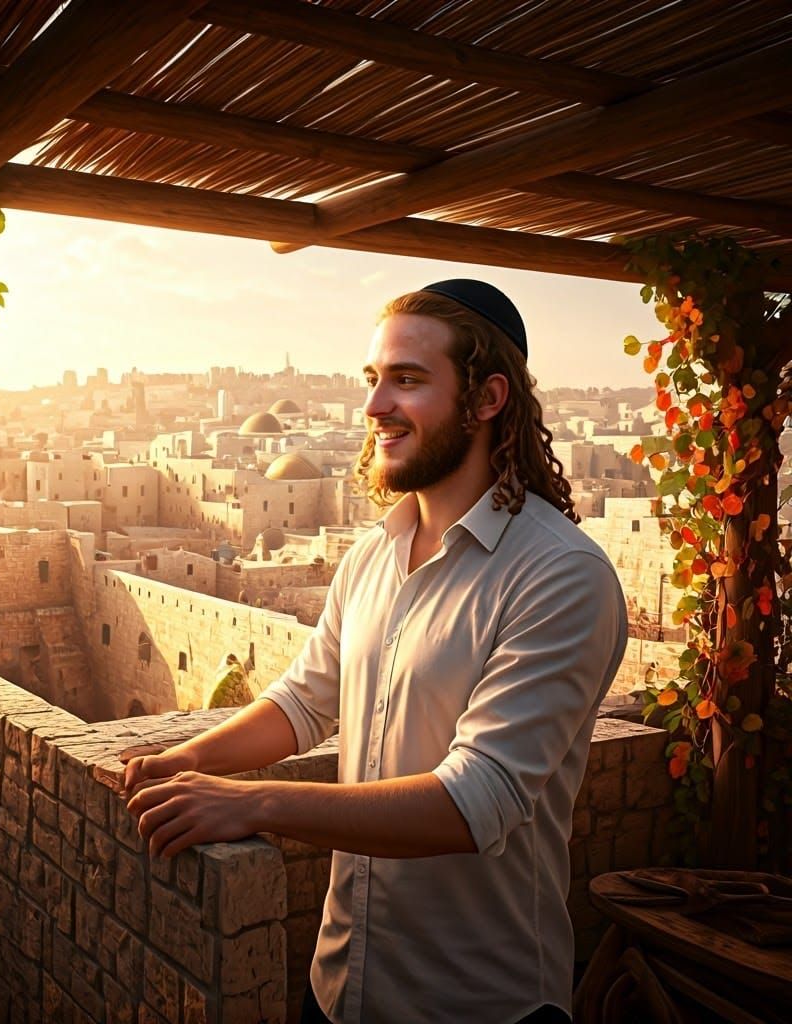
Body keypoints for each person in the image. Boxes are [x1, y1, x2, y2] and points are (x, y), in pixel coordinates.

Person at [124, 280, 628, 1024]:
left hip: (479, 1004)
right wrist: (185, 763)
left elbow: (474, 801)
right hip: (339, 989)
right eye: (373, 379)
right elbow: (304, 703)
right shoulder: (373, 555)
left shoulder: (559, 576)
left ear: (488, 399)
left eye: (408, 380)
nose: (373, 407)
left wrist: (254, 801)